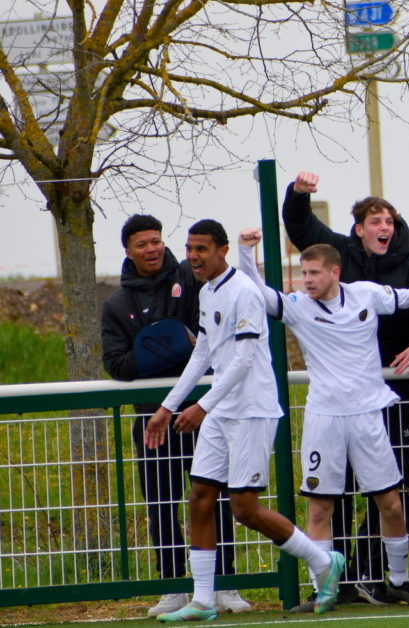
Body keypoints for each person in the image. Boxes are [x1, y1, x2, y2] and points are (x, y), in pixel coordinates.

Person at [236, 230, 409, 606]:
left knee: (391, 504)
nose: (307, 280)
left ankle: (400, 581)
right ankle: (324, 588)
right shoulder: (299, 306)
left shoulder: (366, 294)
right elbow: (258, 292)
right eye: (303, 273)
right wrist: (245, 251)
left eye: (314, 273)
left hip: (368, 415)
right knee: (320, 507)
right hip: (324, 419)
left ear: (335, 272)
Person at [143, 219, 345, 622]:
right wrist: (169, 406)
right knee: (199, 497)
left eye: (202, 249)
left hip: (252, 409)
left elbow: (245, 358)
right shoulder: (205, 292)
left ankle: (324, 562)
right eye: (190, 248)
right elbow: (202, 354)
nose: (194, 256)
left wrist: (202, 406)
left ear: (222, 251)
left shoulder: (246, 293)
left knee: (244, 508)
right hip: (221, 411)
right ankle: (203, 600)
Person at [282, 172, 409, 603]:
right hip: (336, 406)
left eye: (391, 222)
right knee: (331, 498)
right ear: (359, 230)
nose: (385, 229)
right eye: (376, 221)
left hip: (396, 399)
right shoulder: (337, 259)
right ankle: (338, 583)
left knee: (406, 491)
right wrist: (297, 194)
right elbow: (300, 226)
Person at [100, 214, 246, 617]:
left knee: (214, 498)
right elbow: (117, 363)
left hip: (205, 415)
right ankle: (171, 587)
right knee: (161, 504)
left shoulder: (191, 278)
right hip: (153, 422)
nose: (152, 249)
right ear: (128, 250)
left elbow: (213, 335)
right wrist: (166, 348)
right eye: (142, 244)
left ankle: (224, 584)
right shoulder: (116, 305)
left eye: (157, 240)